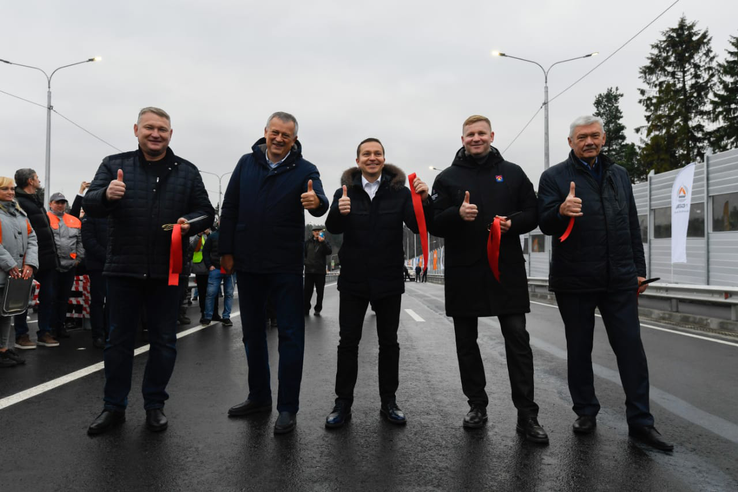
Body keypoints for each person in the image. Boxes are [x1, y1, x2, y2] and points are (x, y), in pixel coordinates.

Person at [537, 115, 673, 452]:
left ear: (604, 138)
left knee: (631, 351)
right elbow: (544, 222)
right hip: (575, 279)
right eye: (582, 137)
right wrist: (561, 211)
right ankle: (585, 412)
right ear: (571, 142)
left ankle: (641, 423)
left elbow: (630, 223)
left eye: (595, 136)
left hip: (620, 279)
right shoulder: (554, 177)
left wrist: (638, 270)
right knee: (579, 350)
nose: (589, 142)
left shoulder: (619, 174)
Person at [83, 107, 214, 435]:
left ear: (171, 134)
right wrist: (107, 195)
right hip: (123, 270)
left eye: (163, 129)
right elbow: (90, 204)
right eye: (149, 128)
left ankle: (155, 405)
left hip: (168, 273)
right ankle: (113, 407)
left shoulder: (187, 171)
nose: (156, 134)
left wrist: (189, 224)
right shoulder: (114, 165)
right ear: (136, 130)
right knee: (118, 343)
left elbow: (206, 213)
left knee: (165, 342)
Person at [428, 115, 548, 443]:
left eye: (482, 133)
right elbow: (434, 223)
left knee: (517, 339)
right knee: (466, 342)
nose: (476, 138)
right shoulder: (448, 178)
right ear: (463, 137)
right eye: (471, 134)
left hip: (505, 269)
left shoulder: (512, 173)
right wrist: (457, 214)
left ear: (492, 135)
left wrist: (513, 224)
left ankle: (527, 414)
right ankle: (477, 405)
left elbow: (532, 212)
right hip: (464, 272)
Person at [219, 111, 328, 434]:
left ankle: (287, 408)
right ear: (265, 132)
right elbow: (230, 207)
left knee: (291, 336)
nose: (279, 139)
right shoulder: (245, 163)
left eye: (287, 136)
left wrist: (316, 201)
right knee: (252, 334)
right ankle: (259, 397)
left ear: (294, 140)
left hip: (285, 266)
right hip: (249, 263)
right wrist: (226, 250)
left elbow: (320, 201)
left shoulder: (305, 169)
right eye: (275, 133)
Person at [323, 137, 430, 428]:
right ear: (357, 160)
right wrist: (338, 210)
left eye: (377, 153)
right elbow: (332, 228)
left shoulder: (400, 192)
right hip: (354, 278)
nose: (372, 158)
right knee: (348, 343)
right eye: (366, 154)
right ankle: (342, 403)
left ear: (384, 158)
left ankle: (389, 402)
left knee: (389, 343)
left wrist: (424, 199)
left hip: (388, 278)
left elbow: (419, 225)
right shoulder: (343, 191)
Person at [12, 169, 59, 349]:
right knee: (22, 299)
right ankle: (21, 335)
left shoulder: (36, 201)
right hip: (27, 259)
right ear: (31, 181)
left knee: (48, 297)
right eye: (37, 178)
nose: (39, 180)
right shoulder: (19, 203)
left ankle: (44, 332)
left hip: (46, 258)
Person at [0, 177, 38, 367]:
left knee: (7, 313)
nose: (10, 192)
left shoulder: (20, 213)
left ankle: (3, 350)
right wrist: (11, 264)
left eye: (12, 189)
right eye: (5, 189)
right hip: (7, 271)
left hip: (15, 276)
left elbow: (32, 238)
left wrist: (30, 263)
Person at [47, 192, 85, 339]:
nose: (60, 205)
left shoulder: (75, 220)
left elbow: (80, 242)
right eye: (57, 202)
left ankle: (60, 326)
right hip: (53, 266)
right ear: (51, 204)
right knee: (51, 298)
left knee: (63, 298)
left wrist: (79, 258)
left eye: (63, 202)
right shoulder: (45, 219)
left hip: (70, 265)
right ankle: (49, 328)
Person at [82, 211, 108, 349]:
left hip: (114, 264)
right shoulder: (91, 215)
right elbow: (88, 240)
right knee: (98, 300)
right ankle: (98, 334)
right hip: (97, 265)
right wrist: (107, 256)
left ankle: (110, 332)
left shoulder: (115, 212)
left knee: (113, 301)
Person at [201, 227, 234, 327]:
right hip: (216, 269)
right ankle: (207, 317)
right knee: (211, 293)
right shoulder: (213, 236)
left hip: (230, 270)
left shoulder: (233, 235)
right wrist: (209, 265)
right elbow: (205, 251)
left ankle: (226, 317)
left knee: (229, 294)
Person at [303, 227, 332, 316]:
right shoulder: (307, 243)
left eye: (319, 231)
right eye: (315, 231)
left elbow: (329, 251)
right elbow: (303, 254)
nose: (317, 233)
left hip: (320, 272)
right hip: (309, 271)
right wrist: (306, 263)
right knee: (307, 292)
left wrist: (322, 242)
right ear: (312, 232)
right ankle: (305, 309)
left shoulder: (325, 243)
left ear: (322, 232)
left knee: (320, 292)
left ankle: (318, 309)